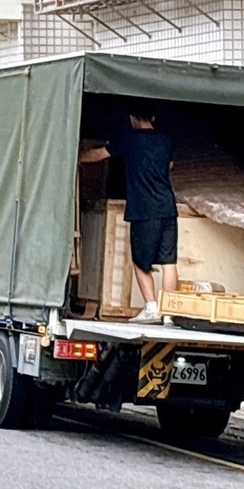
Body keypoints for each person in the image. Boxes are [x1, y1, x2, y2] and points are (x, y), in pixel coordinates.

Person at [81, 101, 178, 323]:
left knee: (140, 261)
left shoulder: (130, 139)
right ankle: (170, 313)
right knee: (168, 261)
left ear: (132, 117)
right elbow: (169, 166)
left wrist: (75, 158)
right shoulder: (165, 140)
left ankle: (152, 308)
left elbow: (98, 155)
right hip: (167, 207)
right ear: (153, 118)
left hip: (144, 209)